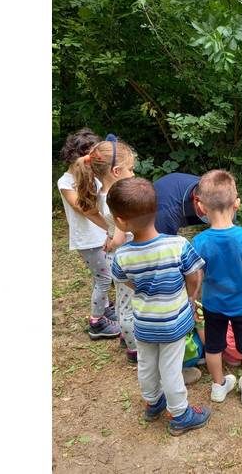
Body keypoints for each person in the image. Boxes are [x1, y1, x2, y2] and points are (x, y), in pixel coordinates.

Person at [108, 177, 211, 435]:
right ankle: (180, 414)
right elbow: (194, 275)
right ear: (157, 210)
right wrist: (189, 295)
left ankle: (153, 403)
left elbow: (125, 281)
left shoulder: (122, 255)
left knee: (146, 364)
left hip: (143, 321)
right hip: (173, 323)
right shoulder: (178, 245)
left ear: (120, 220)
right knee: (171, 369)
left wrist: (145, 290)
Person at [192, 170, 242, 406]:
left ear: (202, 207)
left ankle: (218, 386)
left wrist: (192, 300)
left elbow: (195, 277)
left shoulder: (200, 241)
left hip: (213, 304)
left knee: (213, 347)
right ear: (237, 203)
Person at [73, 135, 137, 362]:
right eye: (130, 170)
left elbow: (109, 225)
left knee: (122, 301)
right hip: (127, 255)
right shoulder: (116, 198)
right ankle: (134, 349)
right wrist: (114, 239)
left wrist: (110, 236)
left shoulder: (101, 192)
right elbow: (121, 233)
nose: (133, 174)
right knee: (129, 305)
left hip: (116, 256)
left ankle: (124, 337)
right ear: (117, 171)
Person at [57, 128, 119, 339]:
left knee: (101, 274)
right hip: (88, 240)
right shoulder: (65, 182)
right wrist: (111, 227)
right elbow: (83, 208)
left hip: (102, 234)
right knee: (104, 278)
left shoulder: (95, 177)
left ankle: (106, 307)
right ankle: (97, 322)